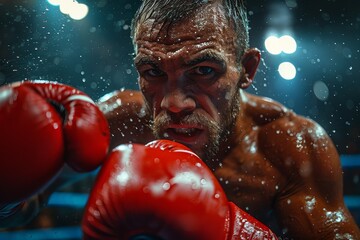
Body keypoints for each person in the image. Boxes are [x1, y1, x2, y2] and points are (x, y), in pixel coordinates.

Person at [1, 0, 359, 239]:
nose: (173, 103)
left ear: (246, 70)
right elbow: (19, 212)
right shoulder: (118, 121)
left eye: (203, 70)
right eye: (153, 71)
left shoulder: (291, 147)